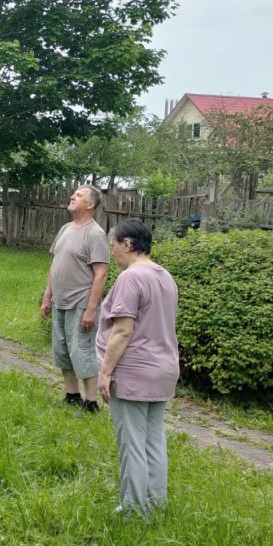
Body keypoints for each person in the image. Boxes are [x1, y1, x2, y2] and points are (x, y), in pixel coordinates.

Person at [96, 219, 180, 515]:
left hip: (134, 371)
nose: (113, 253)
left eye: (114, 246)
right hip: (163, 369)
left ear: (128, 244)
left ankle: (134, 510)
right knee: (154, 440)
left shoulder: (131, 278)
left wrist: (105, 373)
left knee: (132, 444)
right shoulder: (165, 275)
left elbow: (122, 331)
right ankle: (155, 505)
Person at [40, 185, 110, 414]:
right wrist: (47, 296)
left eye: (78, 195)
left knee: (82, 351)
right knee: (62, 350)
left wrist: (91, 309)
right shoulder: (66, 228)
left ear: (90, 205)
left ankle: (91, 403)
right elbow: (55, 264)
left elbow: (101, 273)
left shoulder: (95, 233)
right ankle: (72, 395)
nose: (72, 196)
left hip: (80, 303)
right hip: (60, 301)